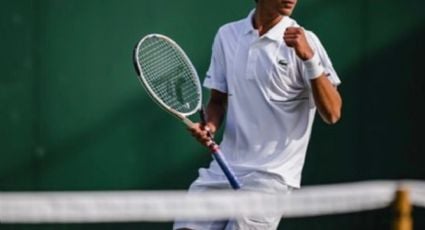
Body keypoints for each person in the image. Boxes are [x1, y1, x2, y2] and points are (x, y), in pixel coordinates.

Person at [174, 0, 342, 229]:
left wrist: (310, 59)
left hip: (270, 179)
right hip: (223, 169)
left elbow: (332, 113)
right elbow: (217, 101)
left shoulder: (307, 41)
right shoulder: (227, 35)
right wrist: (210, 127)